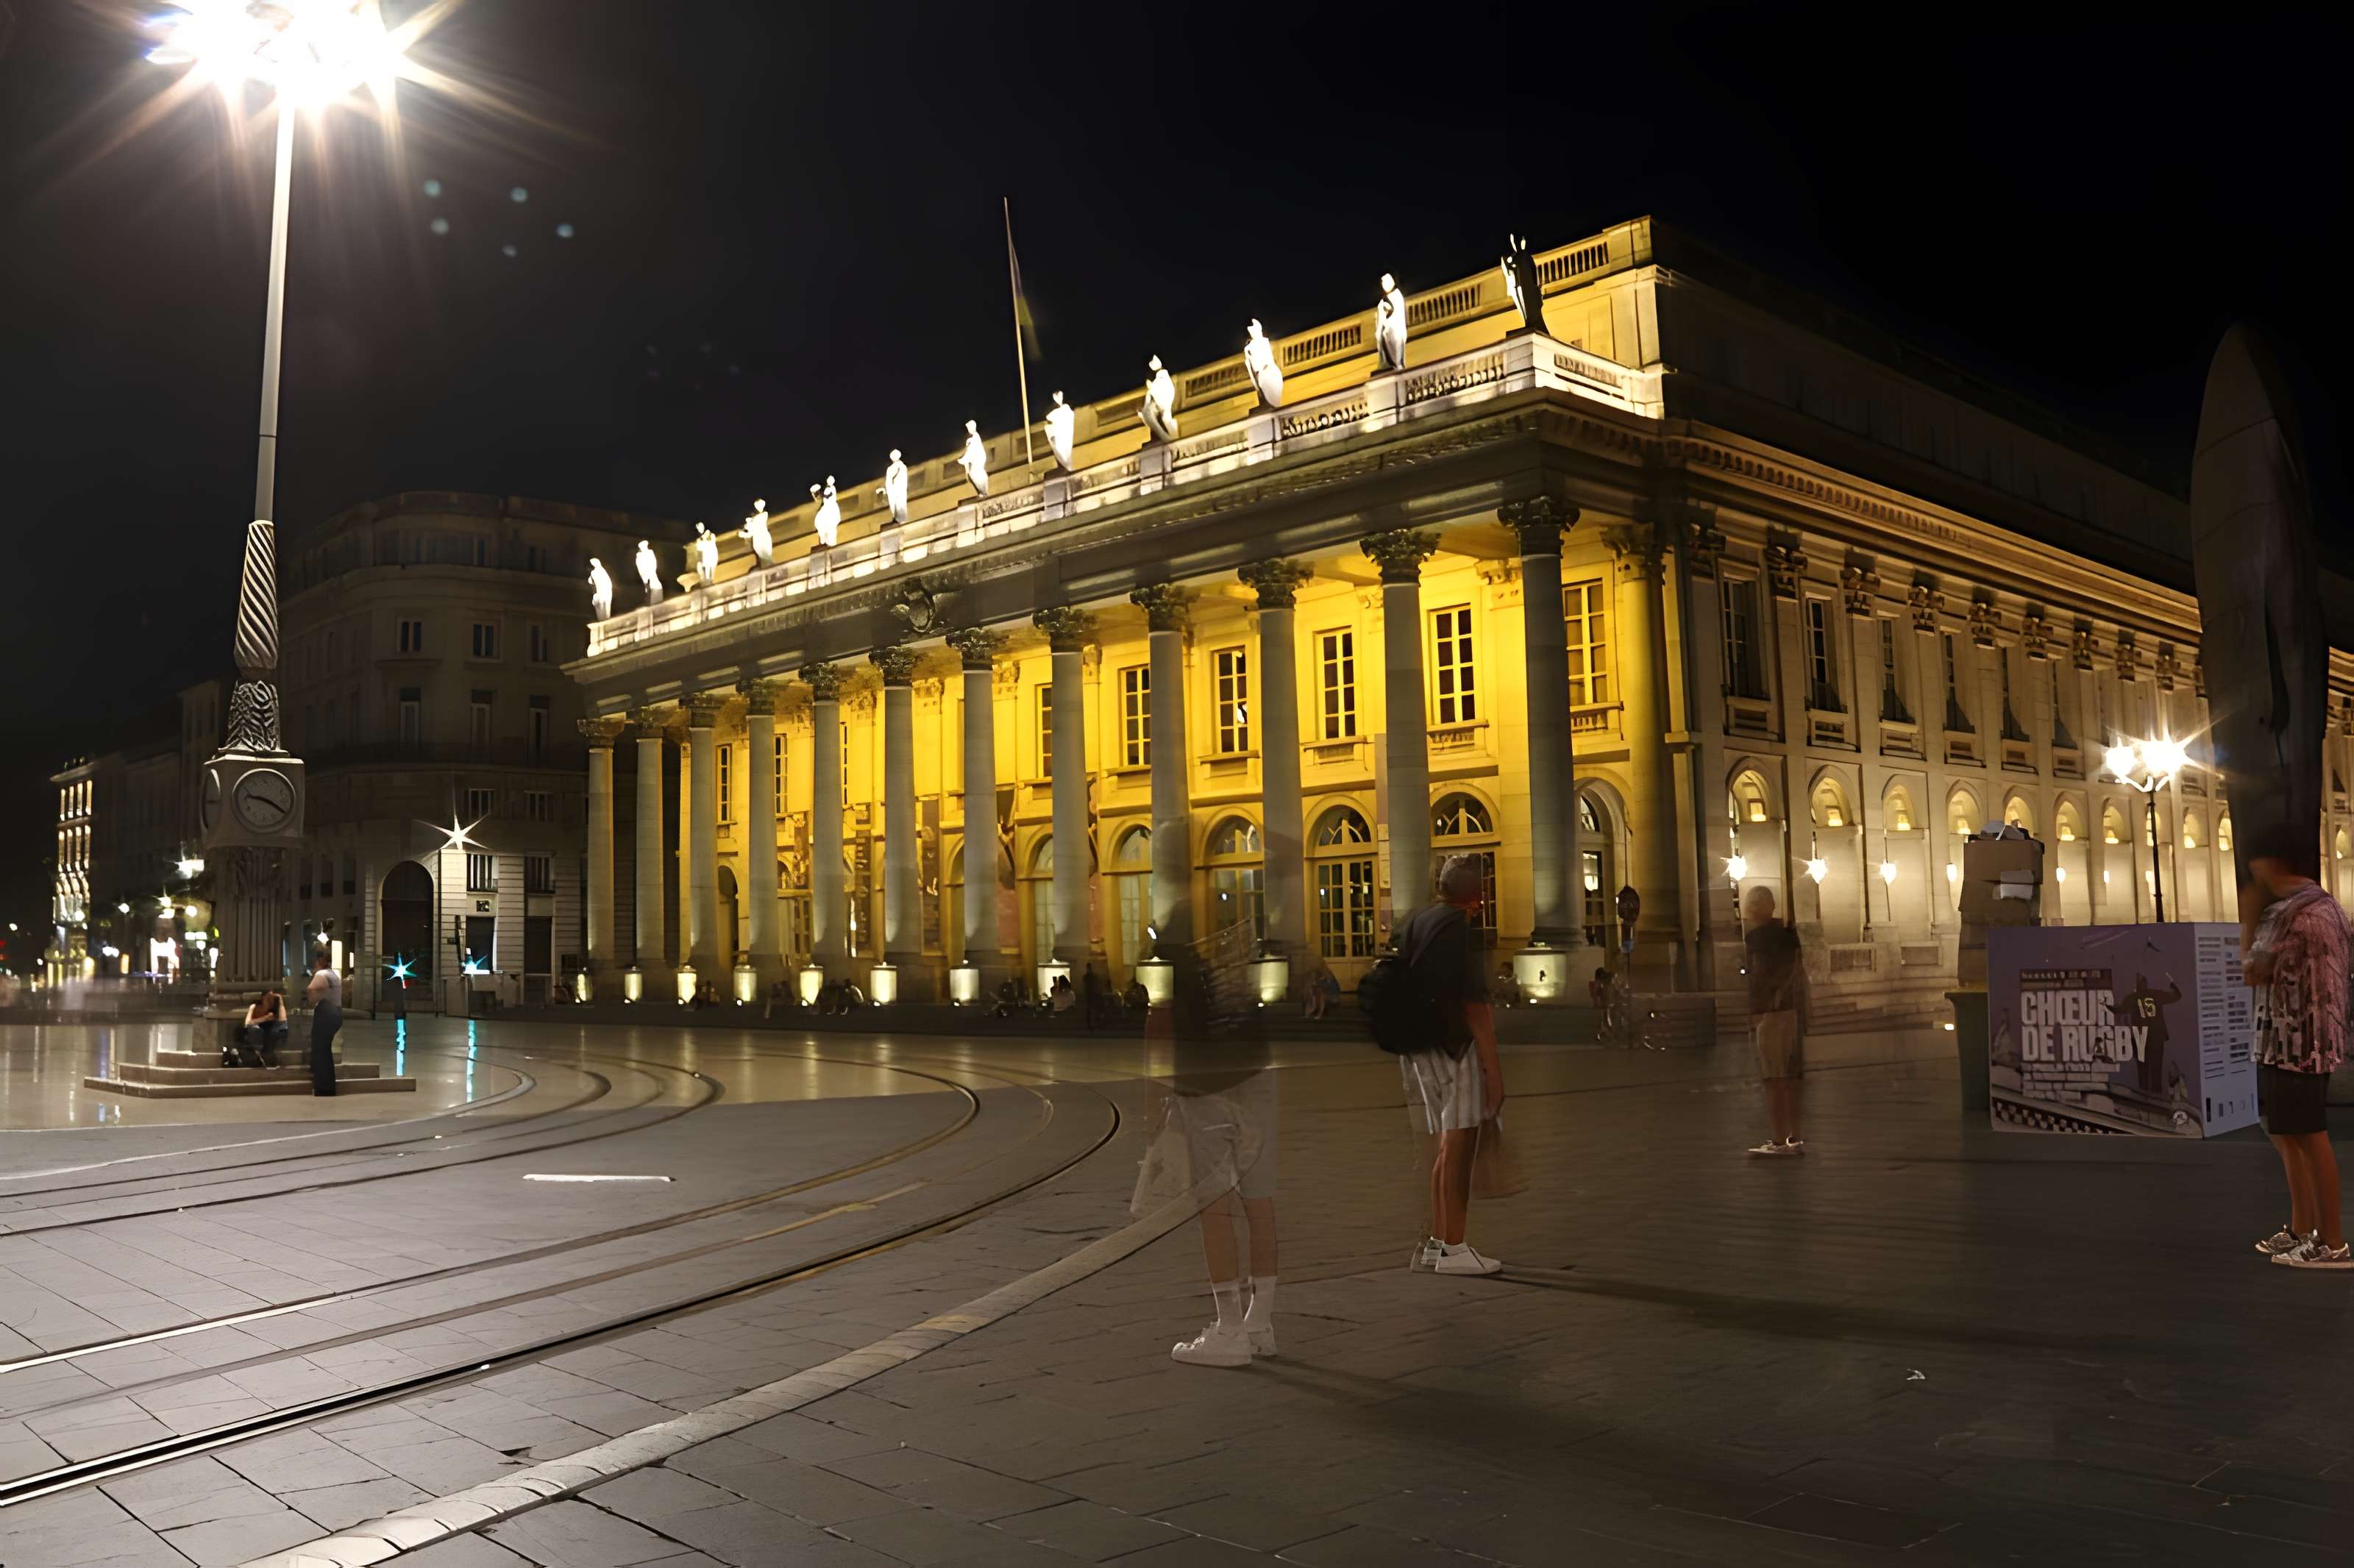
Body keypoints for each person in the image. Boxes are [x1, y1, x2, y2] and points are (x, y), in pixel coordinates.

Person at [2242, 824, 2351, 1268]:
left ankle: (2332, 1241)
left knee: (2307, 1135)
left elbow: (2252, 969)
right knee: (2290, 1134)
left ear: (2271, 863)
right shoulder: (2325, 906)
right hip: (2304, 1038)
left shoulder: (2288, 913)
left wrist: (2249, 915)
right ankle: (2303, 1230)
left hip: (2295, 1040)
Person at [1399, 855, 1507, 1276]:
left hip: (1418, 1047)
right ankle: (1454, 1247)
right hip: (1454, 1047)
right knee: (1460, 1147)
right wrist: (1493, 1072)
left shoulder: (1417, 920)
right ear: (1476, 896)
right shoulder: (1459, 929)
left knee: (1444, 1148)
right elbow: (1475, 1005)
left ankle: (1437, 1243)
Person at [1743, 884, 1807, 1155]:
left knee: (1773, 1079)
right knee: (1791, 1079)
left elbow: (1758, 977)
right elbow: (1797, 971)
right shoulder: (1789, 936)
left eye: (1753, 904)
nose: (1750, 909)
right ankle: (1795, 1136)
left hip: (1771, 1013)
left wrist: (1757, 1010)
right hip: (1792, 1012)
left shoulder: (1756, 939)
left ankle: (1779, 1140)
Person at [305, 957, 342, 1097]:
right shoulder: (333, 975)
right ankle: (328, 1086)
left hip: (326, 1012)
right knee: (325, 1051)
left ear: (318, 962)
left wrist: (311, 998)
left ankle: (323, 1087)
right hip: (336, 1013)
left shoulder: (321, 974)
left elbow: (313, 987)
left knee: (320, 1051)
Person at [238, 990, 287, 1067]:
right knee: (255, 1030)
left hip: (269, 1034)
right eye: (269, 997)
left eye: (272, 998)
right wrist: (265, 1018)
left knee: (280, 1029)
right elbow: (248, 1023)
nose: (271, 1000)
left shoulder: (274, 1010)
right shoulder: (254, 1007)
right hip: (256, 1034)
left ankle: (268, 1056)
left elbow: (283, 1023)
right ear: (264, 998)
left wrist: (280, 1003)